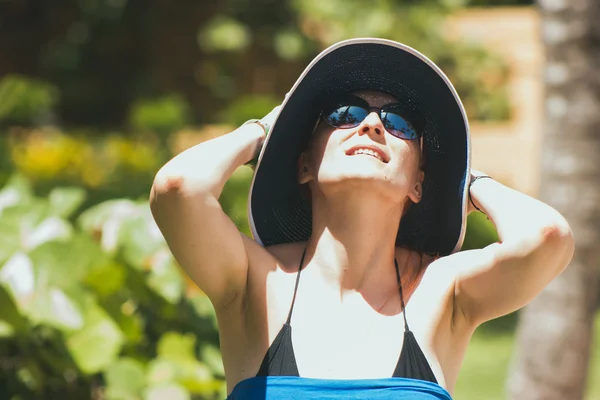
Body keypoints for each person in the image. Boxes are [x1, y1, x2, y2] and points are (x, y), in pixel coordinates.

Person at [150, 38, 574, 399]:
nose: (371, 123)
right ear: (304, 165)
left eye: (399, 124)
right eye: (343, 115)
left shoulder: (443, 290)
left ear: (417, 185)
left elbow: (546, 236)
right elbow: (179, 188)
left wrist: (469, 181)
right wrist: (266, 128)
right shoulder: (252, 281)